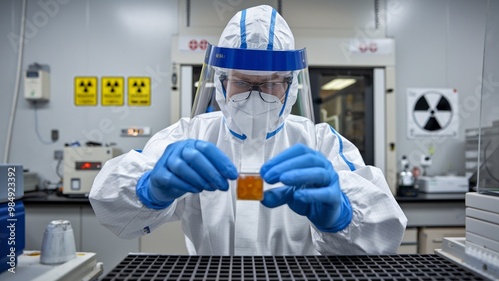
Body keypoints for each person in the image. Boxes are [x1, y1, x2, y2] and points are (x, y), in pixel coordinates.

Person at [89, 5, 407, 255]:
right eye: (242, 82)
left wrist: (342, 215)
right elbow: (107, 202)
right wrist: (149, 188)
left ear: (290, 86)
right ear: (222, 82)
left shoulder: (319, 142)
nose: (255, 95)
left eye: (270, 84)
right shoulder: (191, 137)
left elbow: (386, 230)